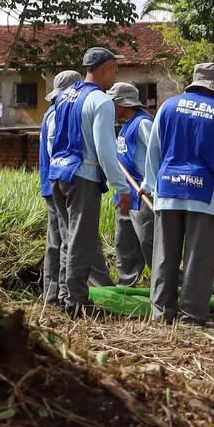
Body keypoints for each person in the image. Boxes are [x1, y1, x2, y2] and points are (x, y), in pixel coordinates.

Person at [143, 62, 214, 327]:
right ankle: (191, 316)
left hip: (168, 188)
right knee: (198, 257)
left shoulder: (168, 106)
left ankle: (162, 313)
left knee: (164, 255)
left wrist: (151, 184)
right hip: (202, 193)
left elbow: (154, 149)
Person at [46, 47, 133, 318]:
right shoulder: (101, 101)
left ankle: (65, 296)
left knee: (67, 239)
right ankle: (77, 303)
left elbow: (53, 138)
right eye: (115, 70)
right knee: (81, 241)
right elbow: (105, 150)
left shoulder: (64, 96)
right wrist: (122, 187)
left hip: (58, 174)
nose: (116, 75)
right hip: (82, 176)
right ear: (105, 69)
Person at [40, 70, 112, 306]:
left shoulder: (55, 110)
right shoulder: (57, 113)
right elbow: (56, 148)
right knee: (70, 240)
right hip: (67, 178)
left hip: (56, 179)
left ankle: (59, 296)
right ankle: (69, 298)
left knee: (64, 240)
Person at [108, 82, 155, 288]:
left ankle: (169, 283)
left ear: (122, 103)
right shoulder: (125, 126)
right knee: (124, 242)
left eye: (112, 103)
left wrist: (148, 184)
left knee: (148, 241)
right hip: (125, 193)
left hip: (143, 193)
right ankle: (126, 284)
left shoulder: (143, 123)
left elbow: (157, 153)